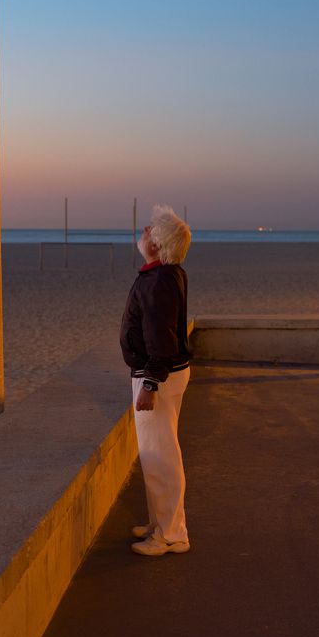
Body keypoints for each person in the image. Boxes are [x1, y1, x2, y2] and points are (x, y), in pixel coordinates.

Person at [119, 205, 193, 556]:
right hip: (166, 373)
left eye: (151, 230)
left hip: (158, 376)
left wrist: (150, 383)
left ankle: (170, 535)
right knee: (156, 453)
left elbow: (161, 340)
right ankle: (161, 522)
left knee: (160, 454)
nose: (145, 230)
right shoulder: (167, 273)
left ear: (158, 244)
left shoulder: (159, 280)